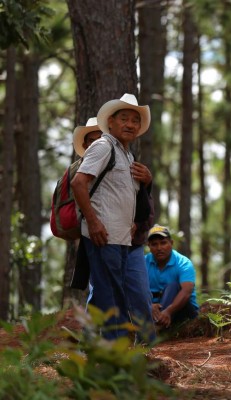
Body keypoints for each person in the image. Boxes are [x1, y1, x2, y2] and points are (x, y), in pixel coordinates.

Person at [71, 93, 153, 340]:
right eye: (124, 119)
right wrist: (94, 222)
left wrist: (148, 181)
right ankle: (115, 358)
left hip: (121, 238)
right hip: (103, 235)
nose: (130, 124)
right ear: (111, 123)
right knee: (110, 297)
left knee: (112, 294)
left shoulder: (127, 155)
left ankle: (103, 351)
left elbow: (130, 199)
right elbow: (78, 183)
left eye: (135, 121)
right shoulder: (103, 145)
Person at [145, 225, 199, 329]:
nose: (159, 248)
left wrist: (168, 311)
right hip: (152, 311)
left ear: (171, 243)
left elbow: (187, 291)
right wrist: (148, 305)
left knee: (173, 286)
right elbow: (135, 289)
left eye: (163, 243)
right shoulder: (143, 263)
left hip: (182, 311)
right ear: (149, 246)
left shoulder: (183, 263)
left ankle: (156, 329)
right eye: (154, 244)